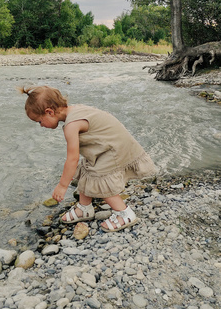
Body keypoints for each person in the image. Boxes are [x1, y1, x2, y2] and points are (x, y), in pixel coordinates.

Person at [20, 85, 157, 232]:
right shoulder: (74, 109)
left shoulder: (71, 126)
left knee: (99, 178)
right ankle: (84, 208)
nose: (41, 126)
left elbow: (72, 159)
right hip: (110, 144)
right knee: (87, 168)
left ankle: (124, 213)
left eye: (40, 121)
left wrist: (62, 185)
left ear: (49, 112)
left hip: (114, 149)